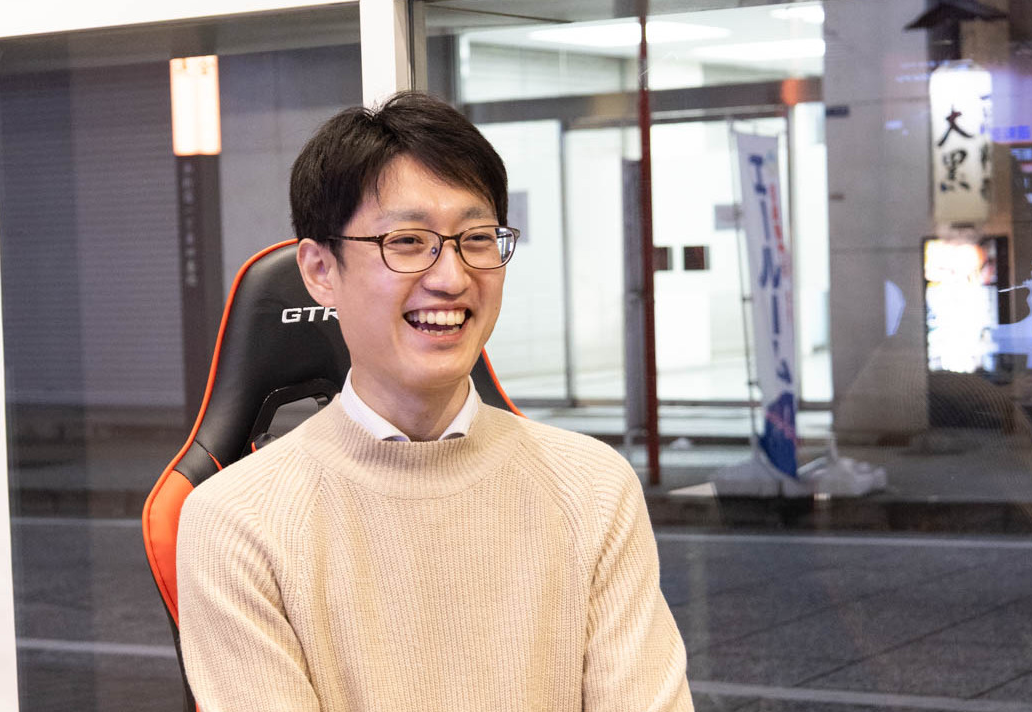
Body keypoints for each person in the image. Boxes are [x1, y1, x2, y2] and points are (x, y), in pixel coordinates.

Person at [176, 91, 692, 712]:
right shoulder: (235, 521)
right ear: (320, 270)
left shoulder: (594, 487)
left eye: (477, 238)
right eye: (407, 240)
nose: (451, 277)